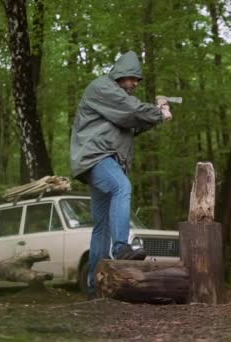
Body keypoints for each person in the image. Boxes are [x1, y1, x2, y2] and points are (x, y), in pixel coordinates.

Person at [70, 51, 172, 298]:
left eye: (138, 80)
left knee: (101, 225)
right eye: (133, 78)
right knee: (121, 187)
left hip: (106, 159)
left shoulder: (116, 102)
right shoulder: (102, 88)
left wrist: (157, 113)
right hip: (96, 157)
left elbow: (133, 123)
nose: (136, 84)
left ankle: (95, 288)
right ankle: (121, 247)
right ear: (120, 74)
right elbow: (130, 111)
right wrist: (159, 112)